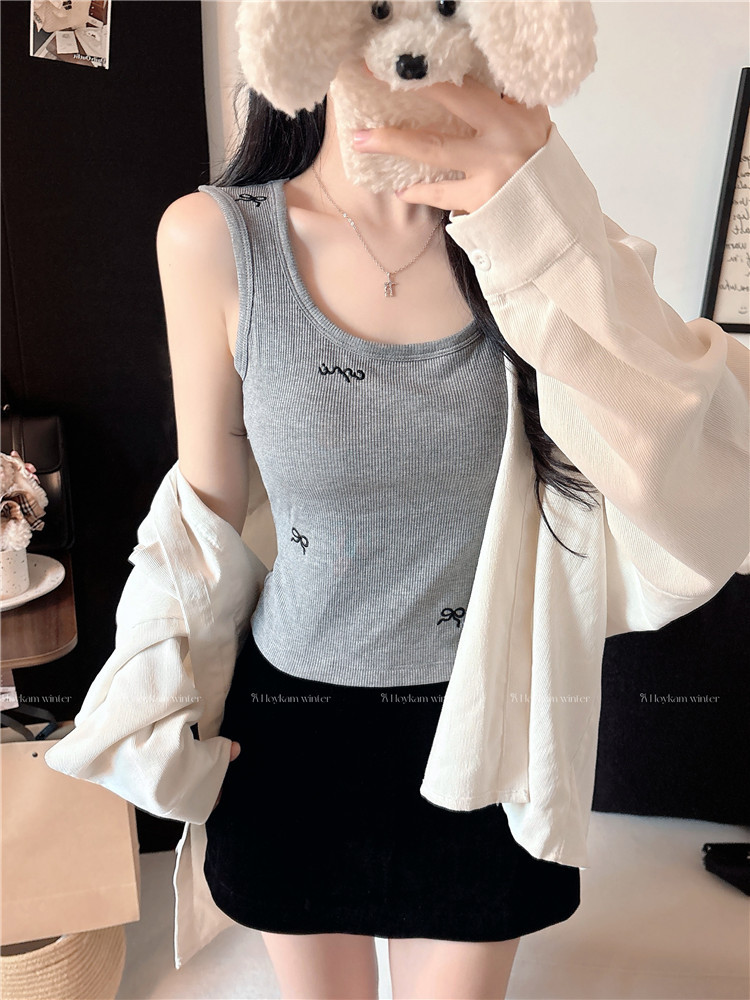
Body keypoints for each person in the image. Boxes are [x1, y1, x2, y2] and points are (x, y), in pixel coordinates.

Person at [153, 54, 746, 1000]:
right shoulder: (214, 240)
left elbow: (694, 443)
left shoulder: (534, 239)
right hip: (292, 734)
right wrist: (167, 700)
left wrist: (541, 205)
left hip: (484, 723)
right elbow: (205, 519)